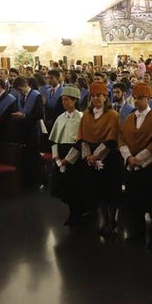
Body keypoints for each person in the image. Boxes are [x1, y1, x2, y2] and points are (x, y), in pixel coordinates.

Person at [119, 82, 152, 245]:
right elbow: (122, 139)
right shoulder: (129, 118)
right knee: (134, 204)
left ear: (148, 98)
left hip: (150, 169)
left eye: (141, 98)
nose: (137, 101)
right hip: (132, 169)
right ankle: (137, 234)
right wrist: (128, 157)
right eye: (135, 98)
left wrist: (138, 159)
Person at [79, 82, 122, 235]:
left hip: (108, 158)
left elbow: (112, 139)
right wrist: (88, 156)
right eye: (93, 95)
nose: (96, 98)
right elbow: (81, 137)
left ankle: (112, 220)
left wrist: (96, 156)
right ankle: (103, 219)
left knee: (110, 191)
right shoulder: (86, 115)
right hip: (90, 158)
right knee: (97, 191)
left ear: (105, 97)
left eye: (99, 95)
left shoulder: (112, 115)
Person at [49, 85, 84, 225]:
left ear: (75, 100)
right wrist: (56, 157)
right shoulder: (60, 118)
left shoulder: (81, 117)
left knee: (75, 187)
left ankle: (78, 213)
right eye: (62, 100)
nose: (64, 102)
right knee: (65, 189)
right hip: (61, 155)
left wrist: (68, 160)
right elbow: (54, 140)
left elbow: (81, 142)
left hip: (74, 156)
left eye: (67, 99)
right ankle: (72, 212)